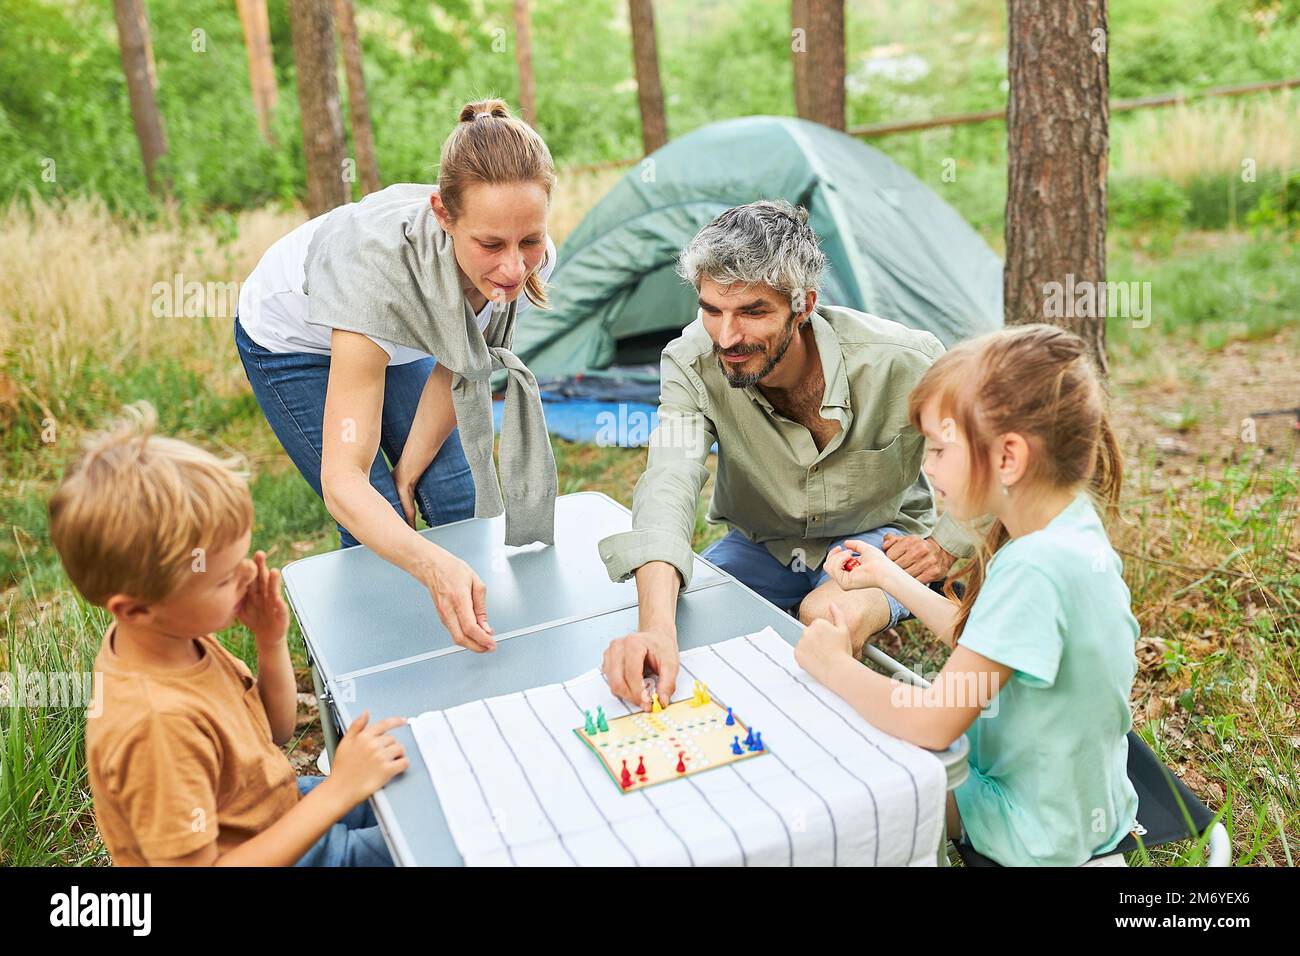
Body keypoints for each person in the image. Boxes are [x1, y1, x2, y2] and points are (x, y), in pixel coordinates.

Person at [598, 200, 972, 709]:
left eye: (752, 312)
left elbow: (994, 448)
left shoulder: (904, 360)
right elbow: (668, 481)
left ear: (804, 305)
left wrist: (948, 545)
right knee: (680, 623)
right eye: (712, 310)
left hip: (878, 537)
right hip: (763, 544)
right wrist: (656, 630)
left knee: (824, 620)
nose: (727, 337)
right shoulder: (689, 362)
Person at [796, 324, 1141, 866]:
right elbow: (981, 636)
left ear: (1008, 458)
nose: (927, 467)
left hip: (1027, 826)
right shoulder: (1068, 533)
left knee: (850, 788)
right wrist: (889, 575)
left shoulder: (1034, 569)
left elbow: (934, 720)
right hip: (1074, 808)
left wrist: (834, 665)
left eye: (937, 448)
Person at [235, 98, 558, 653]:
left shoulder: (527, 262)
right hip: (296, 340)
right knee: (376, 517)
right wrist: (430, 564)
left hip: (401, 336)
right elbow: (344, 483)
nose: (512, 268)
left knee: (454, 494)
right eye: (491, 245)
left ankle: (483, 649)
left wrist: (409, 469)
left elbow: (456, 365)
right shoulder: (374, 278)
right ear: (443, 214)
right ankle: (376, 667)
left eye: (527, 241)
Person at [48, 404, 408, 865]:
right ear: (135, 608)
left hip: (279, 810)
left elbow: (273, 731)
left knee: (416, 790)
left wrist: (269, 640)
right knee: (431, 848)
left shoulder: (174, 638)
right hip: (281, 851)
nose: (244, 577)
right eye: (220, 579)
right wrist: (338, 791)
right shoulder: (154, 724)